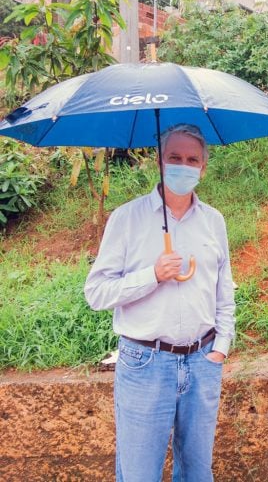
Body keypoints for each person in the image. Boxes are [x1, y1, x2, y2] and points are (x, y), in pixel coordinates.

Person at [84, 123, 235, 482]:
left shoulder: (214, 222)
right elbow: (97, 293)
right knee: (139, 474)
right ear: (160, 162)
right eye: (174, 157)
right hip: (145, 363)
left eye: (192, 159)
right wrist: (151, 275)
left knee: (198, 472)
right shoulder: (127, 219)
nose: (183, 165)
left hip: (202, 361)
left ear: (203, 167)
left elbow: (223, 291)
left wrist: (221, 348)